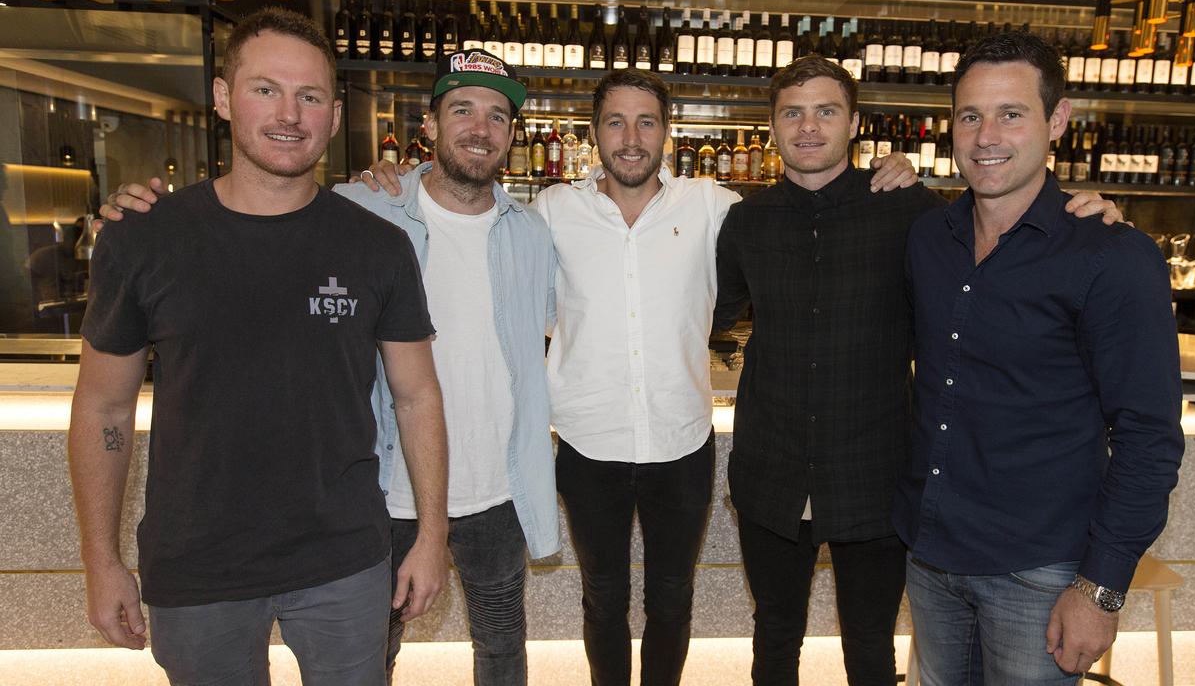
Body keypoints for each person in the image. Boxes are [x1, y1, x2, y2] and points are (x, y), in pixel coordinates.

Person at [350, 68, 918, 686]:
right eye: (615, 122)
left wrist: (895, 170)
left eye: (646, 122)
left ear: (667, 135)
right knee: (602, 597)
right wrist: (396, 180)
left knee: (673, 597)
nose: (631, 137)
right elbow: (482, 238)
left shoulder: (716, 207)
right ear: (594, 134)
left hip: (682, 442)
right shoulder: (551, 211)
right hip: (588, 444)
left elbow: (779, 244)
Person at [100, 48, 559, 686]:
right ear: (428, 126)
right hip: (382, 488)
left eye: (497, 117)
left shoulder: (531, 232)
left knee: (503, 647)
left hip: (496, 487)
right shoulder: (372, 210)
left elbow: (537, 340)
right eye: (462, 109)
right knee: (380, 655)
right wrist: (127, 214)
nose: (480, 129)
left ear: (513, 136)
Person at [712, 54, 1124, 686]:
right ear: (770, 126)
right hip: (771, 471)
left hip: (876, 474)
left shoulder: (913, 213)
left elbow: (1003, 222)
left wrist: (1087, 214)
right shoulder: (744, 221)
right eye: (791, 113)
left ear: (854, 124)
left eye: (827, 111)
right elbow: (717, 313)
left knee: (872, 650)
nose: (809, 127)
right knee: (772, 642)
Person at [68, 7, 448, 686]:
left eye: (309, 97)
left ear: (333, 117)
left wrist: (431, 536)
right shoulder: (144, 239)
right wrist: (101, 562)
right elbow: (103, 410)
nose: (289, 114)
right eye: (265, 89)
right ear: (222, 97)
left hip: (345, 560)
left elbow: (417, 396)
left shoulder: (379, 248)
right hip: (198, 564)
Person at [893, 30, 1184, 685]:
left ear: (1057, 121)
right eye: (970, 116)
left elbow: (1148, 437)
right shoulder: (927, 239)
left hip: (1041, 571)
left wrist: (1100, 588)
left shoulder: (1111, 257)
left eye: (1011, 114)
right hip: (933, 551)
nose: (986, 135)